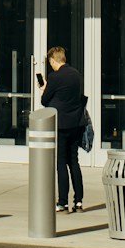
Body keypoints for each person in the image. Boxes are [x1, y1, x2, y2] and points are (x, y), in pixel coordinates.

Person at [38, 44, 88, 213]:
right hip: (76, 123)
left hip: (60, 124)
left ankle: (63, 202)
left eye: (50, 62)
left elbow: (45, 101)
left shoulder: (54, 77)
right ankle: (79, 201)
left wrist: (44, 89)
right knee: (74, 161)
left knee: (61, 163)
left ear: (53, 60)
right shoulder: (76, 74)